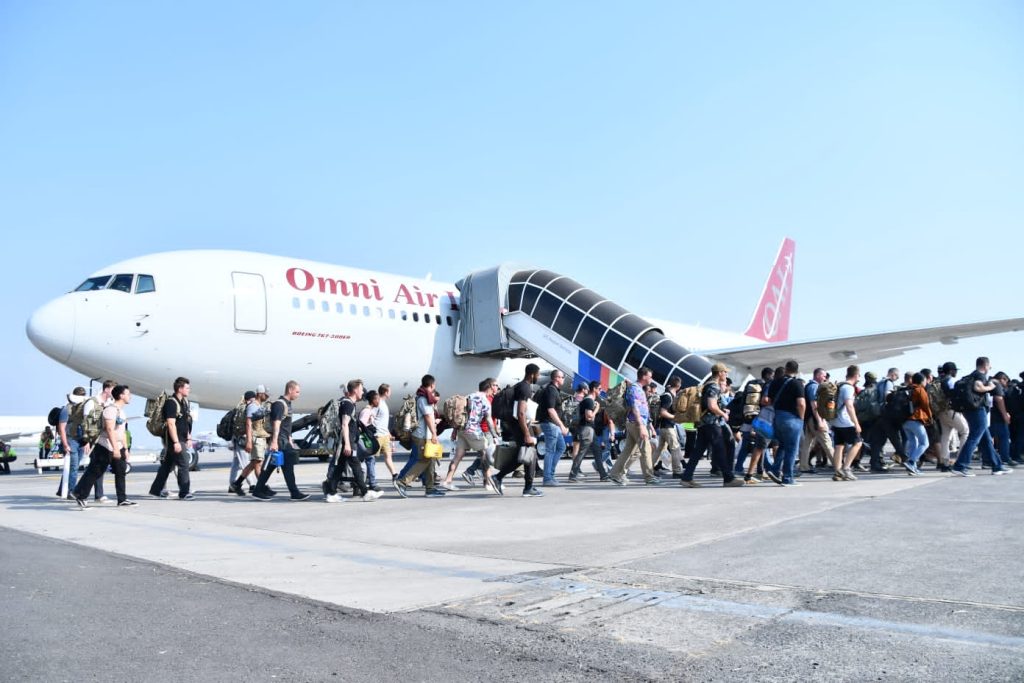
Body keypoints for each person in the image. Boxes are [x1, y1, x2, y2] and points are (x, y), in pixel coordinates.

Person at [680, 363, 744, 488]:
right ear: (720, 373)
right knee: (719, 449)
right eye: (725, 372)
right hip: (711, 423)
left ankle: (686, 477)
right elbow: (711, 405)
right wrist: (723, 414)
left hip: (704, 423)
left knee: (698, 451)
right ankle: (728, 478)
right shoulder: (714, 386)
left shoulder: (708, 385)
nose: (726, 374)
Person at [73, 385, 134, 508]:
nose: (130, 396)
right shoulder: (110, 410)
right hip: (105, 446)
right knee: (95, 471)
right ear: (121, 396)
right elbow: (110, 430)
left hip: (117, 446)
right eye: (128, 394)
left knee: (121, 471)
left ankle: (122, 499)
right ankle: (79, 494)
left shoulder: (121, 411)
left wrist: (125, 449)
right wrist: (116, 449)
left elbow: (121, 432)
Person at [952, 357, 1010, 476]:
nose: (990, 368)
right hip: (977, 410)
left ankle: (997, 466)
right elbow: (977, 387)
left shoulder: (971, 375)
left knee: (986, 440)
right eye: (989, 366)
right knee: (974, 437)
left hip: (968, 409)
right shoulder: (980, 375)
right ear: (985, 366)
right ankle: (960, 465)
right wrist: (990, 387)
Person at [253, 381, 311, 499]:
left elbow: (286, 425)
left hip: (284, 440)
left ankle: (259, 490)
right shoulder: (280, 404)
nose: (298, 394)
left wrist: (290, 439)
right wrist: (274, 441)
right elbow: (277, 424)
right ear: (290, 390)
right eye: (297, 391)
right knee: (283, 466)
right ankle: (293, 493)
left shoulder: (287, 404)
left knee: (274, 466)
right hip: (279, 441)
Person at [493, 363, 542, 497]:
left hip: (516, 425)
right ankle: (527, 487)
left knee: (524, 456)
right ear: (532, 374)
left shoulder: (519, 386)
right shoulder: (525, 388)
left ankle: (502, 478)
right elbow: (521, 412)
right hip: (521, 426)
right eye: (537, 374)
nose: (538, 377)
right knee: (529, 454)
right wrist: (526, 433)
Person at [393, 375, 446, 498]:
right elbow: (428, 417)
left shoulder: (423, 397)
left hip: (425, 435)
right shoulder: (424, 398)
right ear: (432, 385)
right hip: (423, 436)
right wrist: (434, 434)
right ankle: (402, 482)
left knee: (431, 460)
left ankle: (430, 488)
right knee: (423, 460)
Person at [326, 380, 380, 502]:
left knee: (339, 467)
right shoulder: (348, 404)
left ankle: (331, 493)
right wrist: (348, 445)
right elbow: (344, 425)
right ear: (355, 390)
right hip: (348, 442)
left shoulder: (349, 404)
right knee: (356, 467)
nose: (363, 392)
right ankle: (365, 492)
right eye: (361, 389)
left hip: (348, 441)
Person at [441, 378, 499, 490]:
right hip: (474, 431)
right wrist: (495, 435)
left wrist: (455, 430)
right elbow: (489, 420)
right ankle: (488, 483)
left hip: (462, 431)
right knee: (485, 455)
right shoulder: (485, 401)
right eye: (494, 387)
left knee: (457, 457)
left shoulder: (469, 396)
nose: (494, 390)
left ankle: (448, 481)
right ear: (489, 387)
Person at [609, 367, 663, 486]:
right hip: (636, 424)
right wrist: (641, 426)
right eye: (650, 376)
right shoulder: (635, 389)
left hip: (635, 423)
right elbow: (635, 408)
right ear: (644, 376)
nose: (651, 378)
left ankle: (614, 473)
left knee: (628, 450)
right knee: (646, 449)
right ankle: (649, 477)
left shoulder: (638, 389)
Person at [149, 377, 196, 500]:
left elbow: (186, 422)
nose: (189, 390)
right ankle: (184, 493)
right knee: (184, 463)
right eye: (187, 388)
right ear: (180, 389)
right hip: (173, 440)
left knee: (167, 466)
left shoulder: (184, 402)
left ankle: (155, 490)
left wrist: (189, 437)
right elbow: (170, 423)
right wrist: (176, 442)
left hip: (181, 438)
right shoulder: (171, 403)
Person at [765, 360, 806, 487]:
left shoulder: (775, 382)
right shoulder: (797, 383)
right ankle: (788, 477)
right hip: (792, 418)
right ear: (797, 371)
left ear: (786, 368)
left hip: (777, 417)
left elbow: (769, 400)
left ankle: (774, 470)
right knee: (792, 449)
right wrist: (801, 418)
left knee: (783, 445)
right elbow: (801, 403)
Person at [568, 381, 609, 482]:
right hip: (586, 429)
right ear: (594, 389)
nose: (601, 391)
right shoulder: (589, 401)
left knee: (597, 452)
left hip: (590, 429)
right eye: (599, 389)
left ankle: (603, 475)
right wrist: (597, 409)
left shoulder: (590, 400)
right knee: (582, 452)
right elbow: (589, 417)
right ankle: (572, 475)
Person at [229, 389, 267, 496]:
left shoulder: (240, 408)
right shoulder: (249, 408)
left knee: (237, 464)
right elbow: (249, 424)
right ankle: (252, 485)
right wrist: (249, 441)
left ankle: (233, 484)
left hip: (238, 438)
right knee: (250, 462)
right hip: (244, 439)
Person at [829, 365, 864, 481]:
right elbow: (849, 406)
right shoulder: (849, 388)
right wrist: (856, 423)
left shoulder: (839, 385)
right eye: (859, 375)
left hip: (835, 420)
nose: (859, 378)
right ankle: (846, 468)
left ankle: (837, 471)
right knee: (858, 443)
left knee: (839, 446)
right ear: (855, 375)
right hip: (845, 421)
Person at [799, 368, 835, 475]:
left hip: (810, 419)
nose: (825, 378)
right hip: (815, 419)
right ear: (818, 375)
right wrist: (820, 421)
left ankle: (804, 466)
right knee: (826, 441)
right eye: (823, 376)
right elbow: (814, 404)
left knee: (807, 443)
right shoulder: (814, 387)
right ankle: (838, 465)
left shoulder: (809, 386)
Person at [537, 370, 569, 486]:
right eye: (562, 377)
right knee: (550, 450)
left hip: (553, 424)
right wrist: (562, 426)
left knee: (561, 447)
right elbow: (551, 410)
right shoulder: (551, 390)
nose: (563, 379)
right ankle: (547, 478)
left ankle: (550, 474)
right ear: (556, 378)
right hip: (550, 424)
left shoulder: (554, 390)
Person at [56, 386, 87, 498]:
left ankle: (62, 490)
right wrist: (65, 444)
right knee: (73, 467)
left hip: (80, 441)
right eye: (80, 395)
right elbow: (62, 428)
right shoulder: (67, 409)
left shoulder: (83, 409)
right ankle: (71, 491)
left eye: (83, 394)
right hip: (71, 441)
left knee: (72, 467)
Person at [901, 373, 932, 475]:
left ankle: (912, 468)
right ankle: (911, 461)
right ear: (922, 381)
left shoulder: (906, 389)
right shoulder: (919, 390)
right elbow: (926, 405)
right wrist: (930, 417)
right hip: (915, 419)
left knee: (913, 443)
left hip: (904, 421)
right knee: (925, 443)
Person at [373, 383, 398, 480]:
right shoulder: (377, 403)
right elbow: (372, 417)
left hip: (385, 435)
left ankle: (394, 475)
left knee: (388, 455)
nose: (391, 393)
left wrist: (388, 433)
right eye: (390, 391)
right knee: (372, 458)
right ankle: (368, 477)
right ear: (386, 392)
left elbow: (383, 421)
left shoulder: (384, 403)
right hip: (378, 435)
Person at [988, 372, 1013, 471]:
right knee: (1004, 436)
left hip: (989, 416)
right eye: (1006, 380)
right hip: (997, 417)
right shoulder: (997, 385)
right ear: (1002, 379)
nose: (1006, 384)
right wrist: (1005, 415)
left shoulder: (988, 383)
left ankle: (987, 460)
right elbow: (999, 400)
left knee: (986, 438)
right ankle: (1005, 458)